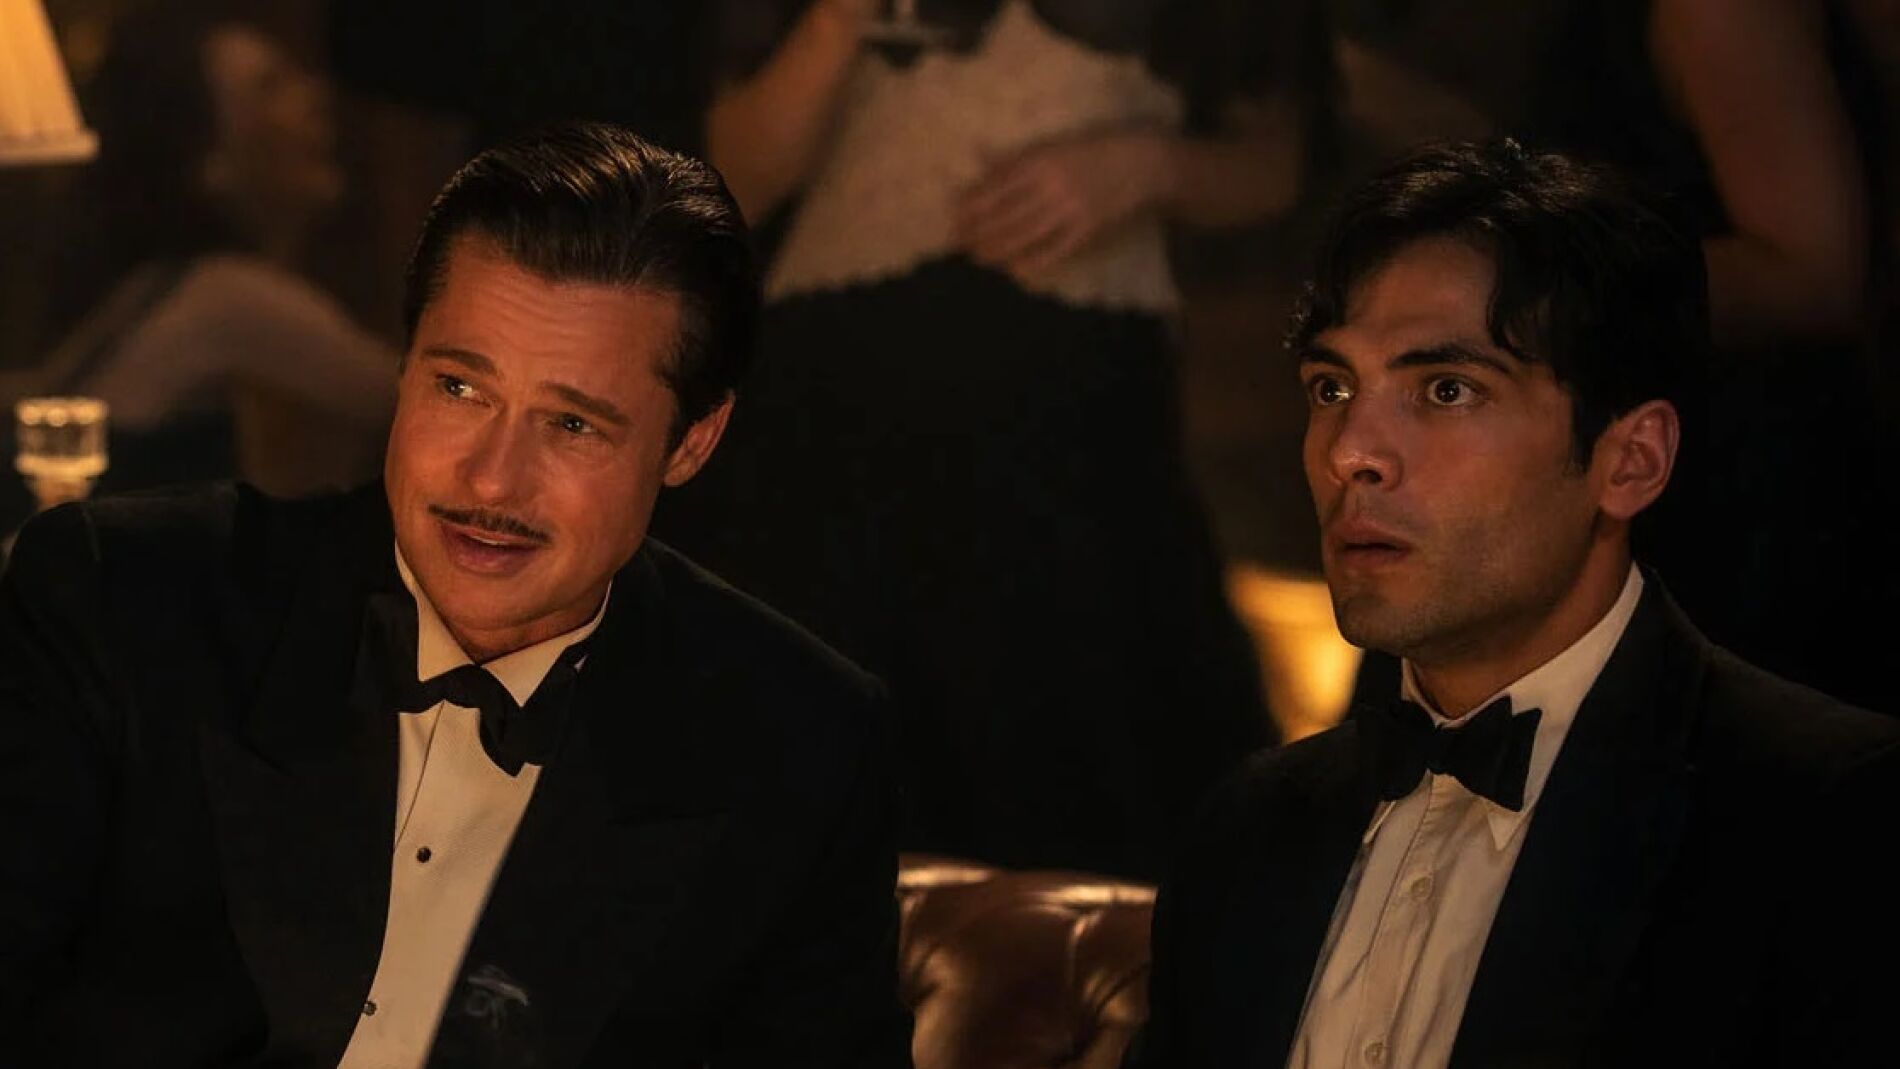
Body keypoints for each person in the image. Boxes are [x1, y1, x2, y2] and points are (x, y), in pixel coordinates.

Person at [0, 123, 911, 1067]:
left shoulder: (799, 739)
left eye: (571, 424)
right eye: (460, 389)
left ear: (691, 442)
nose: (491, 479)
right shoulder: (125, 600)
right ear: (405, 366)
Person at [1125, 141, 1900, 1068]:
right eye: (1333, 387)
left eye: (1446, 389)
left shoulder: (1828, 814)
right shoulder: (1246, 832)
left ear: (1630, 461)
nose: (1349, 451)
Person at [657, 0, 1330, 879]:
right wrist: (837, 21)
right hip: (833, 407)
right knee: (821, 792)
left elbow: (1278, 156)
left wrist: (1141, 165)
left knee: (1092, 802)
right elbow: (728, 184)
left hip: (1077, 420)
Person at [4, 5, 396, 524]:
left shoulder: (169, 283)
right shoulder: (228, 298)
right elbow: (417, 398)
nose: (315, 98)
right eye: (271, 87)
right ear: (210, 159)